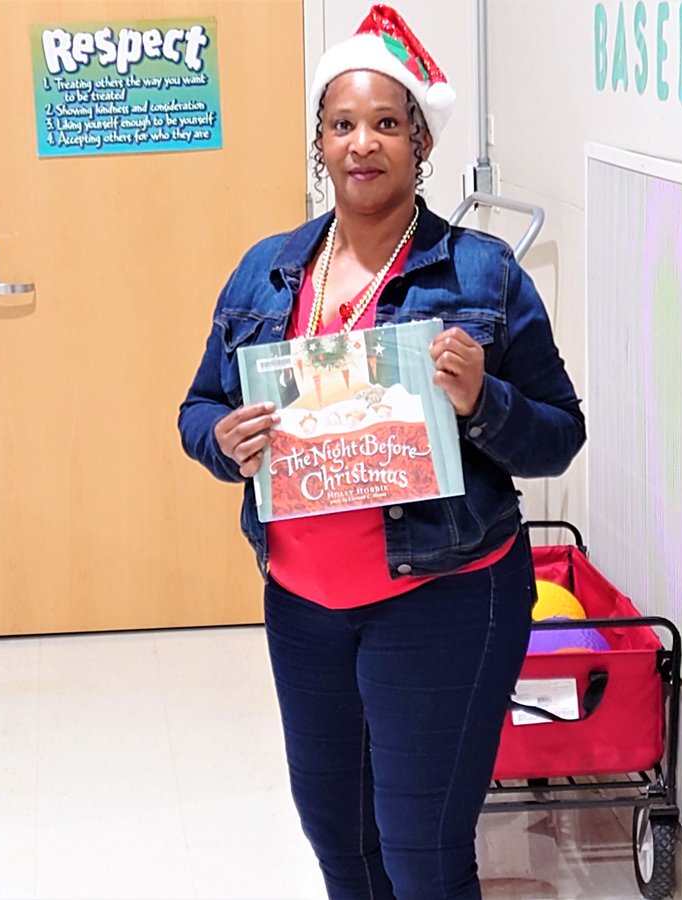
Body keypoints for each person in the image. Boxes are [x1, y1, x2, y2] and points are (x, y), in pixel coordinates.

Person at [178, 6, 585, 898]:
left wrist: (483, 400)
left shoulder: (479, 274)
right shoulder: (268, 271)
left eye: (387, 123)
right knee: (341, 847)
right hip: (302, 606)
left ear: (420, 141)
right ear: (319, 143)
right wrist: (219, 436)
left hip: (442, 598)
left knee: (423, 855)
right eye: (343, 124)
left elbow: (560, 433)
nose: (364, 143)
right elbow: (198, 404)